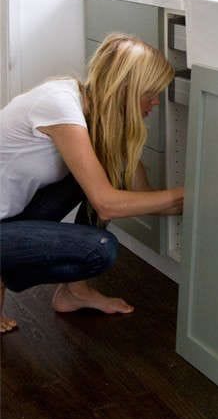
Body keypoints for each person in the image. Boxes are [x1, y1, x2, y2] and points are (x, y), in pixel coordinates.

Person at [0, 33, 184, 333]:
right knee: (98, 249)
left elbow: (142, 194)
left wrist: (203, 200)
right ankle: (3, 274)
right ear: (126, 89)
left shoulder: (92, 116)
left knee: (102, 168)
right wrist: (186, 195)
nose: (155, 102)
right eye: (150, 92)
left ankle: (75, 291)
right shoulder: (59, 104)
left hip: (8, 217)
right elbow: (107, 204)